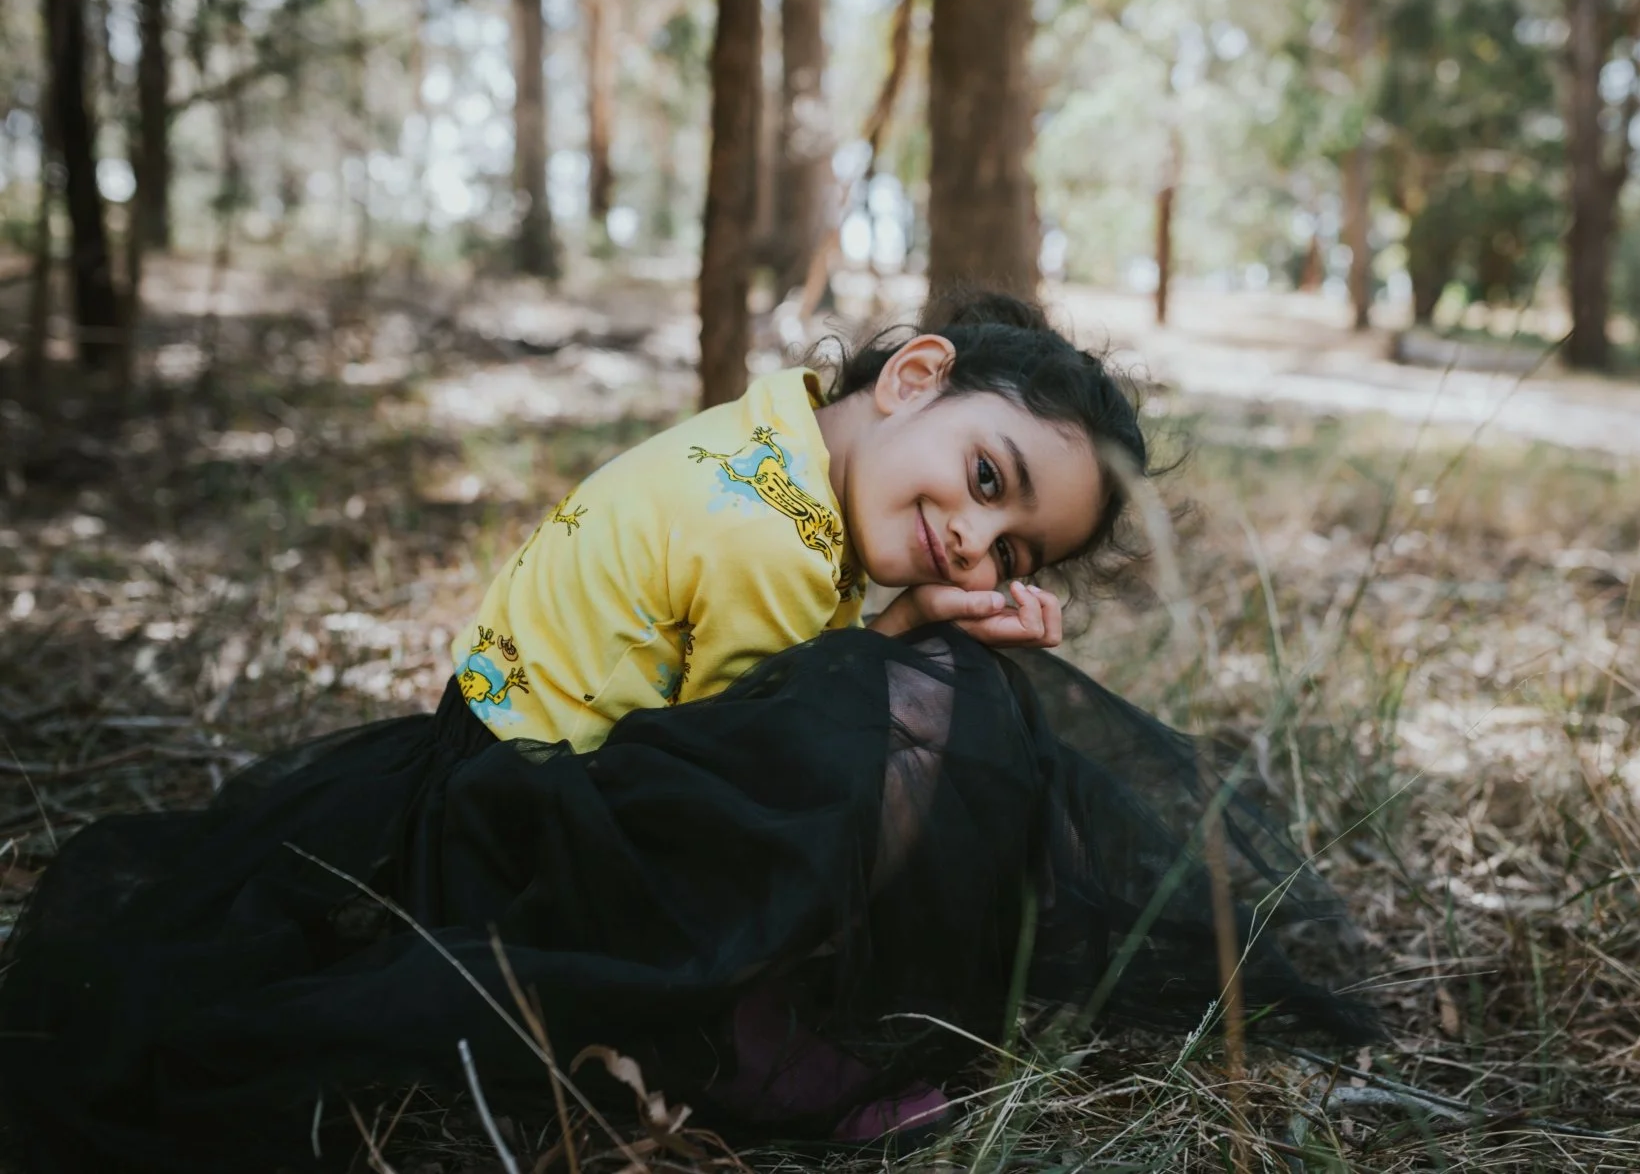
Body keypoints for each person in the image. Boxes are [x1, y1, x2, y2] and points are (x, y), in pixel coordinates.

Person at [0, 292, 1378, 1174]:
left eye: (1012, 542)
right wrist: (911, 654)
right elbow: (759, 777)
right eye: (983, 477)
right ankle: (729, 1042)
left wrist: (908, 634)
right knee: (922, 708)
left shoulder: (777, 443)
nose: (969, 536)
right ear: (913, 376)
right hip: (528, 826)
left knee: (924, 681)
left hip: (507, 767)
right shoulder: (762, 538)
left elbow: (758, 726)